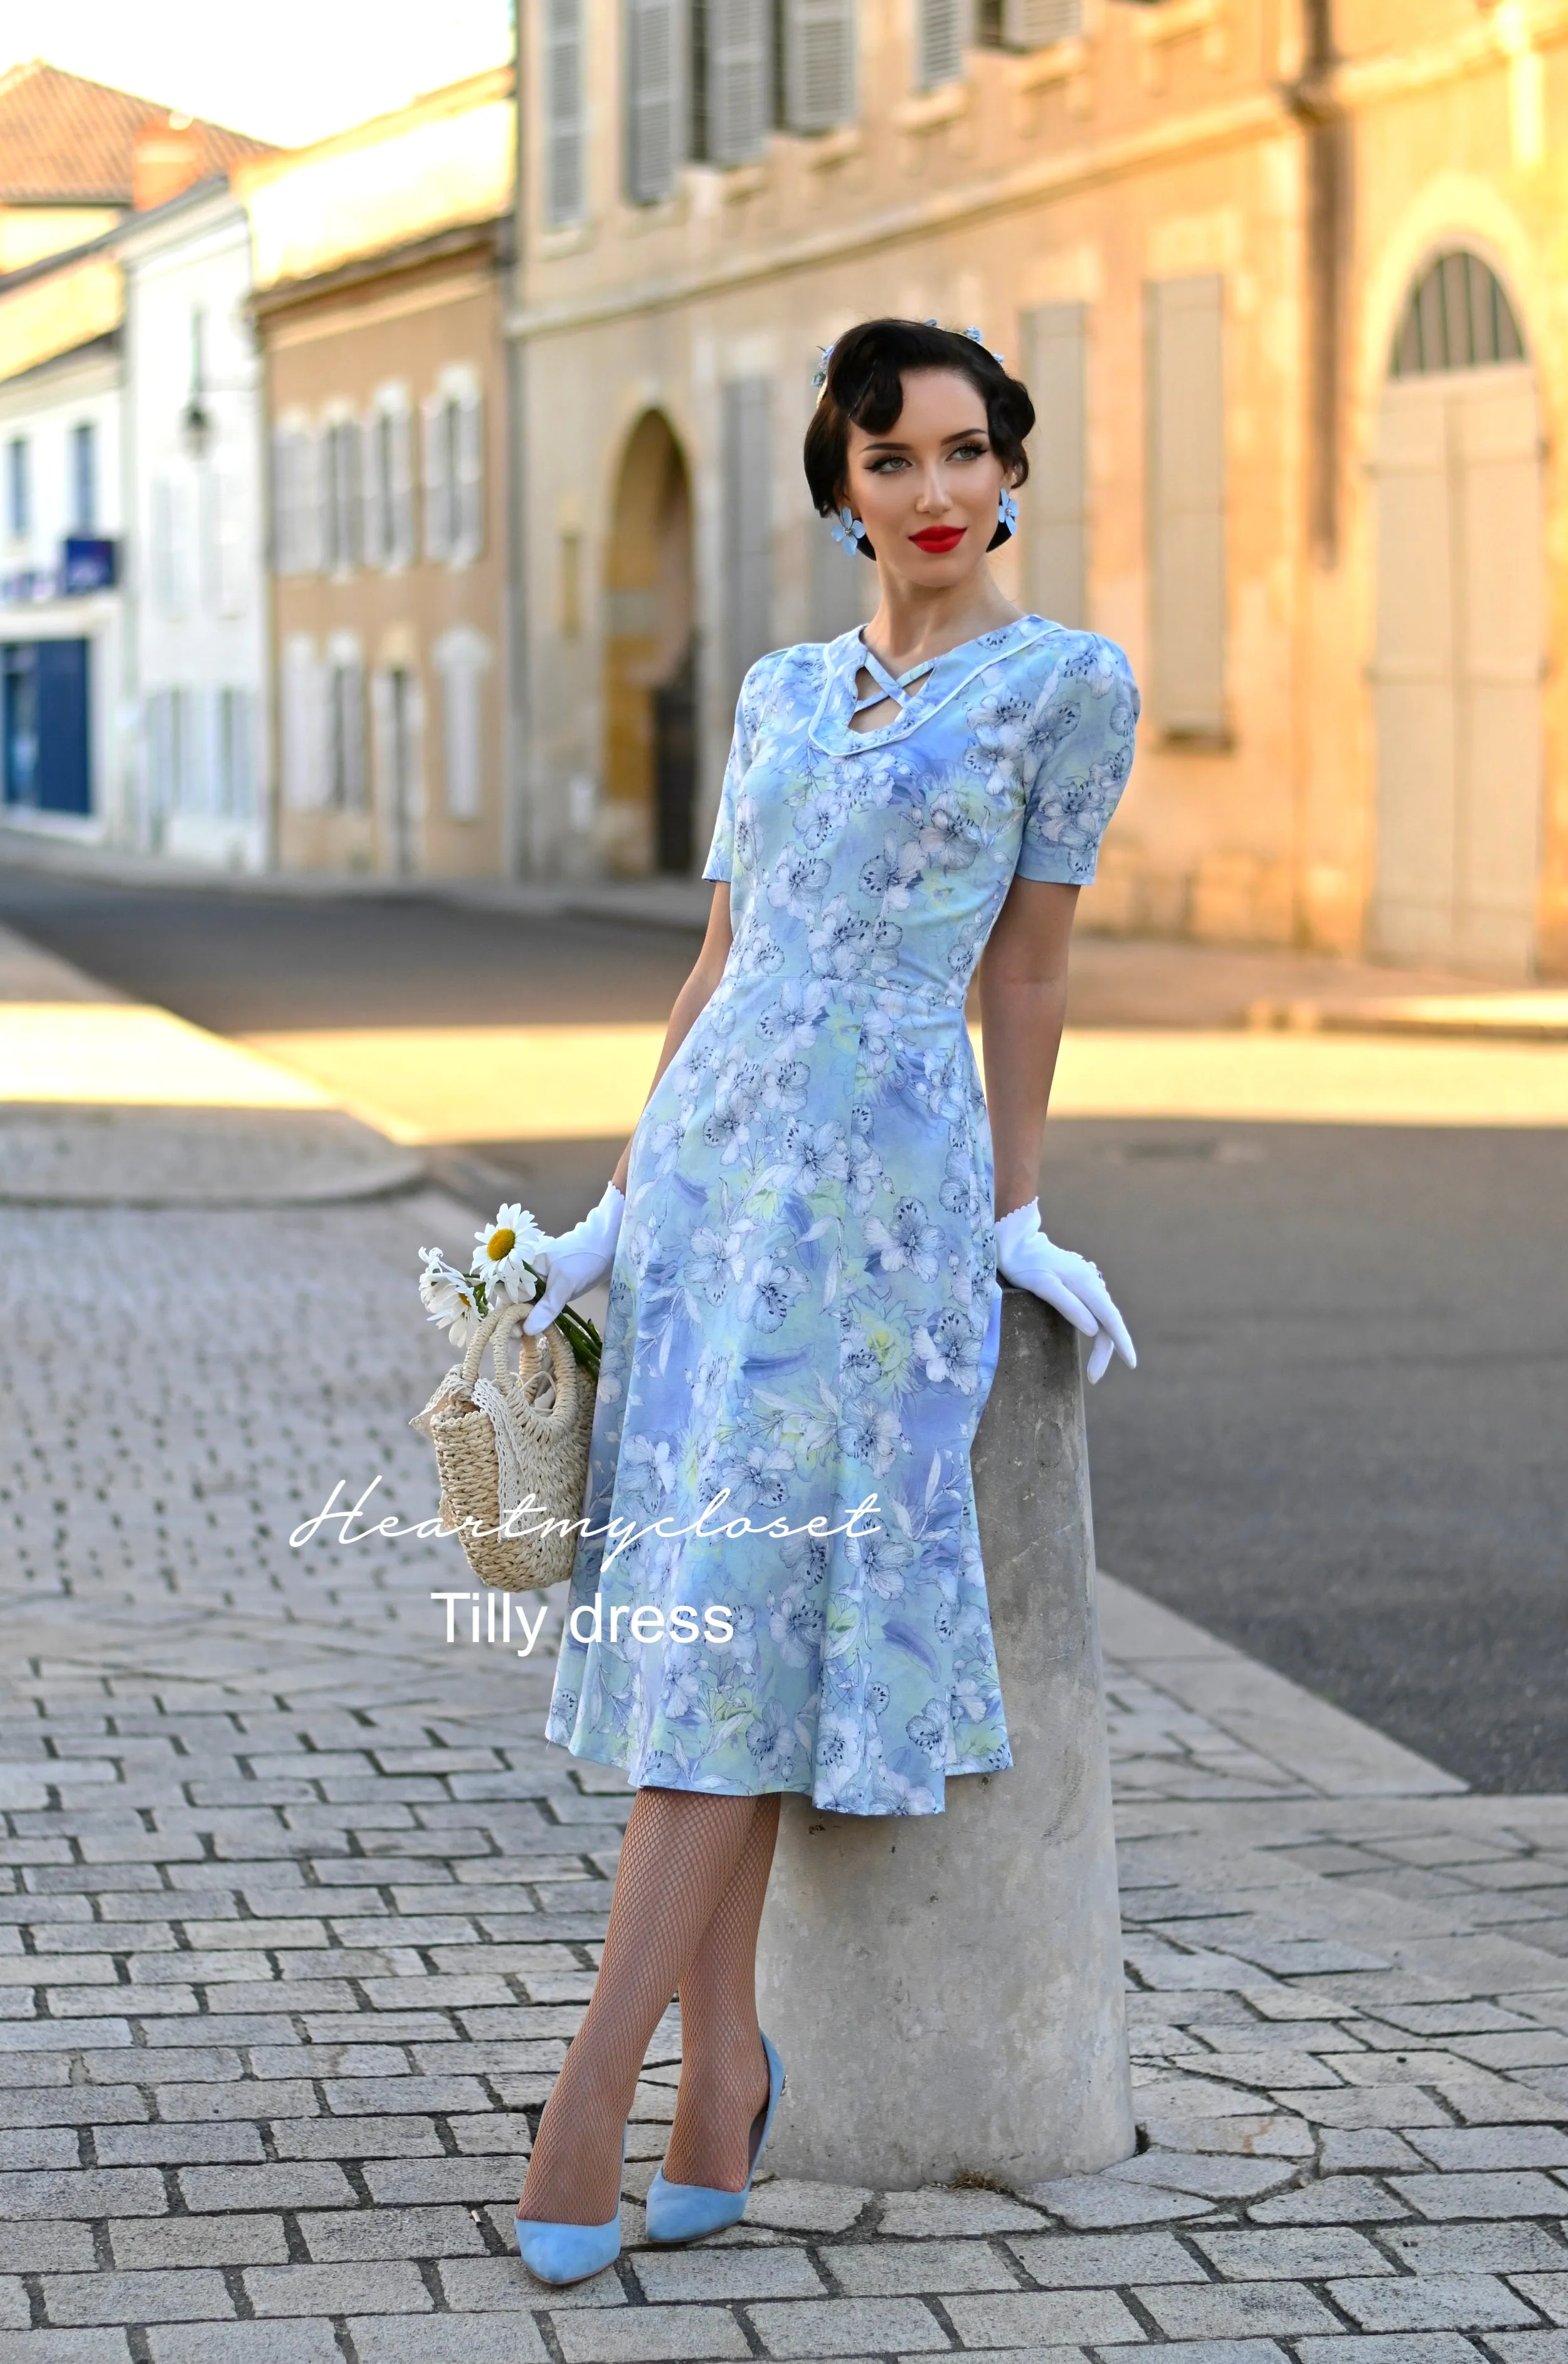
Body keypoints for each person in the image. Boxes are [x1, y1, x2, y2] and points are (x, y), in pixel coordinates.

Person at [512, 315, 1138, 2285]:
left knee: (732, 1648)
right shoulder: (782, 692)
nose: (934, 493)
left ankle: (587, 2099)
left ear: (1008, 463)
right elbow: (720, 954)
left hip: (877, 1205)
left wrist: (1016, 1210)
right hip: (712, 1200)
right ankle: (718, 2093)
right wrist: (611, 1214)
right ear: (840, 489)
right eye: (892, 462)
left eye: (963, 451)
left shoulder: (1068, 687)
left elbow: (1024, 974)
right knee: (715, 1628)